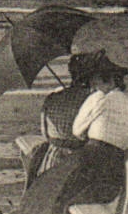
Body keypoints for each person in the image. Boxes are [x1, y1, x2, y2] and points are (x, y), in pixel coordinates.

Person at [10, 53, 128, 214]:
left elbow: (77, 131)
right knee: (61, 191)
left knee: (50, 188)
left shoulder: (96, 98)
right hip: (115, 165)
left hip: (88, 156)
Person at [23, 52, 98, 184]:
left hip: (52, 162)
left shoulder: (53, 98)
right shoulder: (95, 101)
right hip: (83, 165)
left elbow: (46, 134)